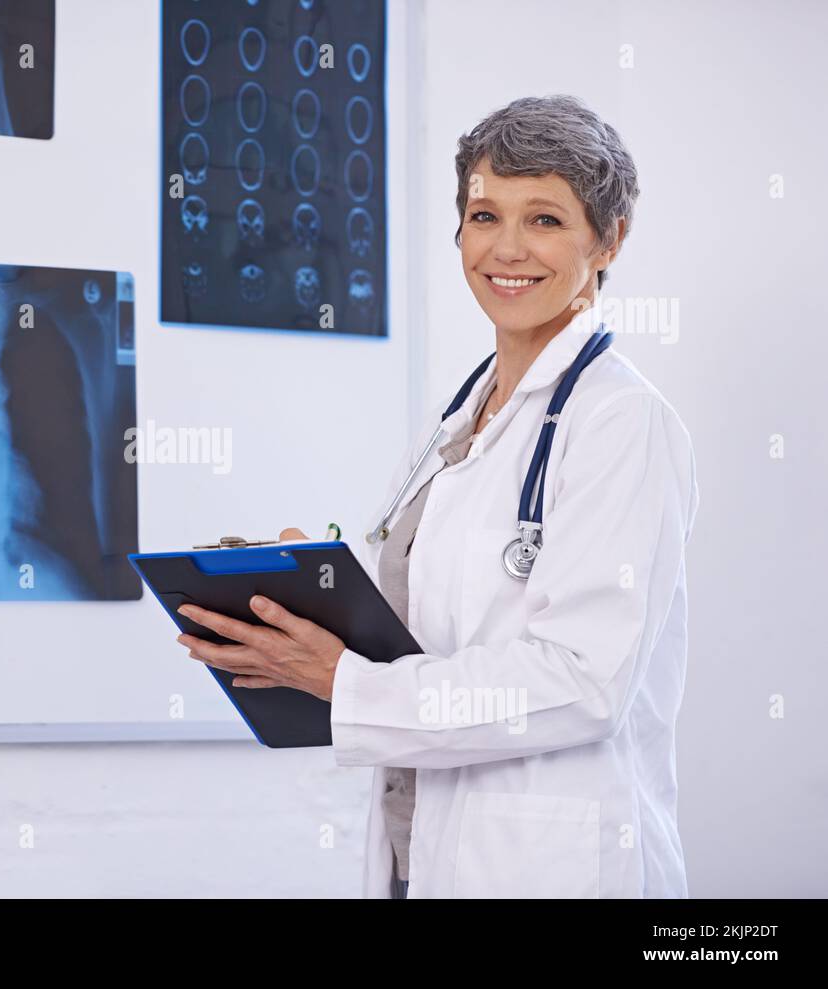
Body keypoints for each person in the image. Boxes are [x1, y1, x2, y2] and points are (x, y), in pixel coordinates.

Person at [175, 95, 699, 898]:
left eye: (547, 219)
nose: (508, 248)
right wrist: (304, 590)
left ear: (609, 239)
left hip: (548, 867)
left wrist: (345, 683)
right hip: (419, 849)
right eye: (486, 214)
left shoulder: (621, 423)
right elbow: (430, 609)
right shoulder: (460, 417)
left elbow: (582, 682)